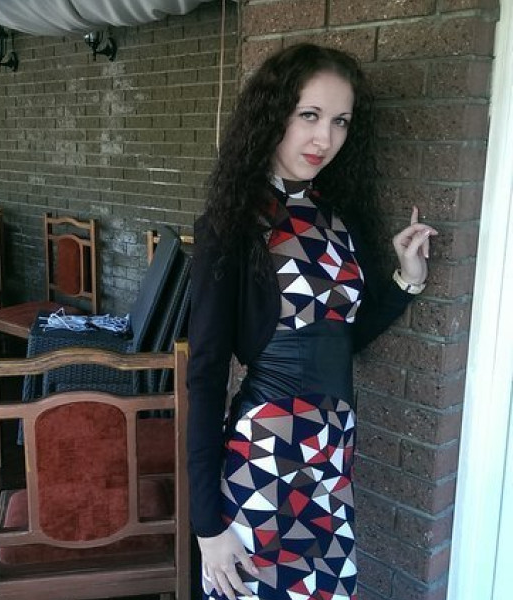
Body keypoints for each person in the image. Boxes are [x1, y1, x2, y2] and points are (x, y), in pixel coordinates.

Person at [186, 43, 437, 600]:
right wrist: (206, 526)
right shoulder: (232, 225)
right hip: (264, 453)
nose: (325, 138)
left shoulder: (338, 221)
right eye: (309, 115)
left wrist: (405, 279)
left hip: (332, 454)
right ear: (273, 114)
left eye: (340, 121)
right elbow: (204, 377)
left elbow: (343, 338)